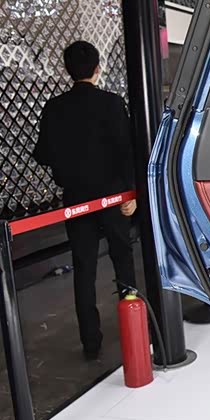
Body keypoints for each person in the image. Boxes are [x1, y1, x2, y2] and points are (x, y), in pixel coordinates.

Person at [33, 41, 137, 360]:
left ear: (67, 70)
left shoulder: (54, 108)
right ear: (97, 69)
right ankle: (133, 328)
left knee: (84, 267)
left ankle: (90, 341)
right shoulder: (111, 103)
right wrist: (132, 191)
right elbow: (127, 150)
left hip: (76, 198)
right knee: (122, 258)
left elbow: (43, 154)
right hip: (114, 195)